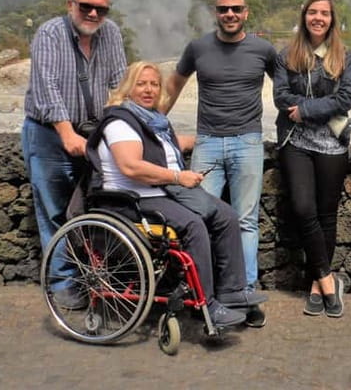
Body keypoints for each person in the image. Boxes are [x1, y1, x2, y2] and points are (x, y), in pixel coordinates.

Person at [85, 61, 267, 326]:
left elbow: (166, 148)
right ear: (128, 87)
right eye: (141, 83)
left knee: (226, 215)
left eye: (154, 84)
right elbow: (131, 166)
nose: (149, 90)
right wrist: (177, 177)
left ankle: (232, 291)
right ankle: (208, 305)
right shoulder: (120, 122)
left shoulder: (153, 121)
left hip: (158, 193)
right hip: (129, 200)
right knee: (194, 225)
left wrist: (205, 138)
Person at [164, 0, 277, 327]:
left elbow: (286, 89)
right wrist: (151, 126)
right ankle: (206, 296)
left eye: (236, 9)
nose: (230, 14)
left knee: (244, 221)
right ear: (216, 12)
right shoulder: (197, 48)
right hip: (208, 142)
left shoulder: (263, 49)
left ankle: (245, 292)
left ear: (247, 12)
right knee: (200, 218)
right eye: (224, 9)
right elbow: (173, 86)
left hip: (248, 141)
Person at [22, 0, 126, 309]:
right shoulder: (50, 34)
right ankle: (64, 283)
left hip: (93, 134)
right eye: (86, 6)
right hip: (49, 134)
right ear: (71, 5)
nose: (94, 13)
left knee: (96, 208)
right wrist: (67, 133)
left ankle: (97, 277)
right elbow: (47, 87)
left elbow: (119, 84)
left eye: (101, 8)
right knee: (54, 210)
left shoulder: (111, 34)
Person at [273, 0, 351, 317]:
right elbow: (281, 96)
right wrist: (312, 109)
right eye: (313, 12)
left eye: (324, 13)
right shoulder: (287, 55)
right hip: (296, 141)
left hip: (333, 143)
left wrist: (306, 109)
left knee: (326, 215)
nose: (318, 18)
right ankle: (326, 277)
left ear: (332, 19)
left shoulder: (344, 56)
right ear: (304, 16)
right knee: (303, 207)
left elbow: (347, 98)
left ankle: (313, 284)